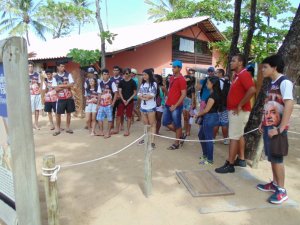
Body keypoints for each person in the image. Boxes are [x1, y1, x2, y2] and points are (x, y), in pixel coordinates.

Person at [257, 54, 294, 204]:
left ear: (275, 67)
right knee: (272, 157)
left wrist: (280, 128)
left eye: (265, 67)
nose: (262, 70)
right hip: (268, 125)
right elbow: (269, 104)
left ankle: (282, 190)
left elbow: (289, 105)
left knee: (277, 158)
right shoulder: (272, 83)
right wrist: (262, 122)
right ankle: (275, 184)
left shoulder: (284, 82)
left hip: (277, 128)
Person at [215, 54, 256, 173]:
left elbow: (252, 90)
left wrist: (240, 105)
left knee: (233, 137)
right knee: (239, 135)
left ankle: (230, 163)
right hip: (236, 111)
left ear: (240, 63)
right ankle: (241, 159)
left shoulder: (244, 74)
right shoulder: (238, 75)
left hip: (238, 112)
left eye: (233, 61)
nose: (231, 62)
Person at [195, 76, 221, 165]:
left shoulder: (213, 96)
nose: (206, 84)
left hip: (210, 117)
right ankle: (205, 155)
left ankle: (210, 159)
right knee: (201, 135)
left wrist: (196, 114)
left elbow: (206, 110)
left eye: (208, 83)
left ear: (212, 84)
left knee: (208, 138)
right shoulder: (213, 93)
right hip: (209, 117)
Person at [162, 60, 187, 150]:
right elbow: (170, 92)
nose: (173, 68)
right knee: (165, 122)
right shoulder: (172, 78)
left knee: (177, 124)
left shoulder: (182, 79)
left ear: (180, 68)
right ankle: (180, 136)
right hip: (168, 104)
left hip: (176, 106)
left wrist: (175, 105)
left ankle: (176, 143)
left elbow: (183, 94)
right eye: (172, 67)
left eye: (175, 67)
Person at [52, 61, 76, 136]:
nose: (63, 68)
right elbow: (55, 89)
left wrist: (61, 86)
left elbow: (72, 84)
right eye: (61, 66)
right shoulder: (55, 77)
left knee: (69, 113)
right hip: (60, 98)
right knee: (58, 113)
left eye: (64, 66)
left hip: (69, 97)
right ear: (58, 67)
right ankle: (58, 128)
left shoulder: (68, 74)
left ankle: (68, 128)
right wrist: (66, 85)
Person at [113, 68, 137, 136]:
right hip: (122, 101)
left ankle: (127, 130)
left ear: (129, 73)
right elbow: (119, 91)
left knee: (129, 116)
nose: (125, 75)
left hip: (130, 101)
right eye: (123, 73)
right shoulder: (121, 82)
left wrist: (128, 100)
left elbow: (135, 93)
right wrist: (123, 99)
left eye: (126, 73)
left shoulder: (133, 82)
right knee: (118, 115)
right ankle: (117, 129)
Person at [138, 69, 157, 148]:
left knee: (152, 124)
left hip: (151, 107)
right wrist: (144, 97)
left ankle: (152, 142)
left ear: (149, 75)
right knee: (145, 124)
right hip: (143, 107)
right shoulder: (142, 84)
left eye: (145, 74)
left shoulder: (154, 84)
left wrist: (143, 96)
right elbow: (139, 94)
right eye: (143, 75)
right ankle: (146, 139)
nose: (144, 76)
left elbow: (152, 95)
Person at [97, 69, 118, 138]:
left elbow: (115, 93)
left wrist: (113, 103)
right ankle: (101, 131)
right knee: (99, 118)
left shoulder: (112, 83)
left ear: (109, 75)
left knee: (109, 118)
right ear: (102, 75)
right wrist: (98, 104)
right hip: (102, 104)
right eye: (104, 74)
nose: (105, 76)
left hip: (109, 104)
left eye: (107, 74)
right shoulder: (100, 83)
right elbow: (99, 94)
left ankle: (108, 132)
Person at [214, 68, 230, 145]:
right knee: (224, 123)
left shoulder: (217, 82)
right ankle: (226, 140)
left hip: (218, 105)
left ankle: (213, 139)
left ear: (220, 74)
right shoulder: (228, 82)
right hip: (226, 105)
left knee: (216, 122)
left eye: (216, 73)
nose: (215, 74)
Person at [29, 61, 43, 130]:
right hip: (29, 95)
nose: (30, 68)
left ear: (33, 67)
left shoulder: (37, 74)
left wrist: (40, 91)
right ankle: (29, 124)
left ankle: (36, 124)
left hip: (37, 94)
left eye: (31, 66)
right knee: (29, 110)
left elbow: (40, 84)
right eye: (29, 66)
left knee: (37, 109)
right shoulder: (24, 75)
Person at [183, 68, 196, 136]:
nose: (184, 79)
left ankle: (188, 131)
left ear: (189, 79)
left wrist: (193, 104)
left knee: (189, 117)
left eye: (186, 78)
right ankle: (185, 129)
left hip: (189, 102)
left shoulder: (192, 87)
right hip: (184, 102)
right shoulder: (183, 86)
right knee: (185, 117)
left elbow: (193, 96)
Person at [110, 66, 123, 130]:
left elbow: (123, 89)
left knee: (120, 112)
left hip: (120, 98)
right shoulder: (111, 79)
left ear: (119, 71)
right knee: (112, 111)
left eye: (117, 70)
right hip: (113, 98)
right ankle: (112, 124)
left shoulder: (122, 79)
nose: (115, 71)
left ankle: (122, 125)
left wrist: (120, 96)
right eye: (114, 70)